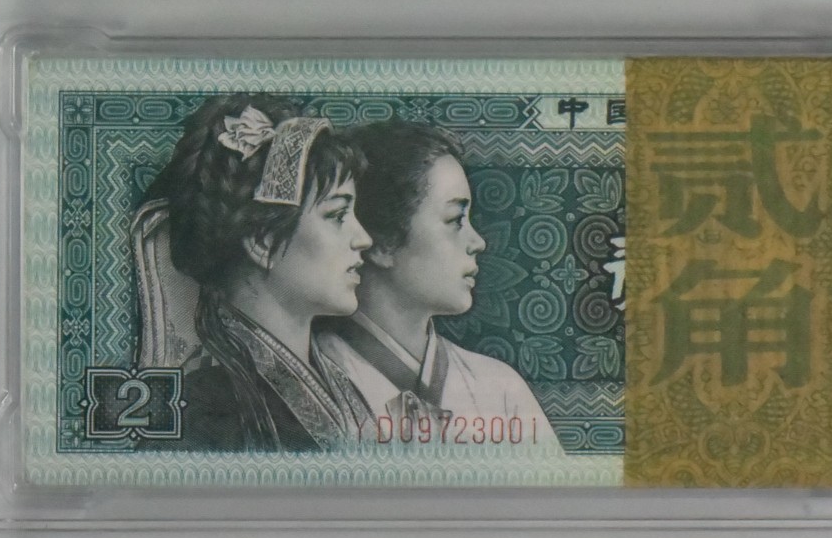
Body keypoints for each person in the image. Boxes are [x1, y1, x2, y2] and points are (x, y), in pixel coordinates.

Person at [140, 94, 375, 451]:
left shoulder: (340, 384)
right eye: (337, 215)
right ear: (263, 242)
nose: (364, 239)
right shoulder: (202, 414)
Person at [317, 120, 559, 448]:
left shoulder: (501, 389)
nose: (478, 242)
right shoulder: (312, 382)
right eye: (455, 220)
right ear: (382, 243)